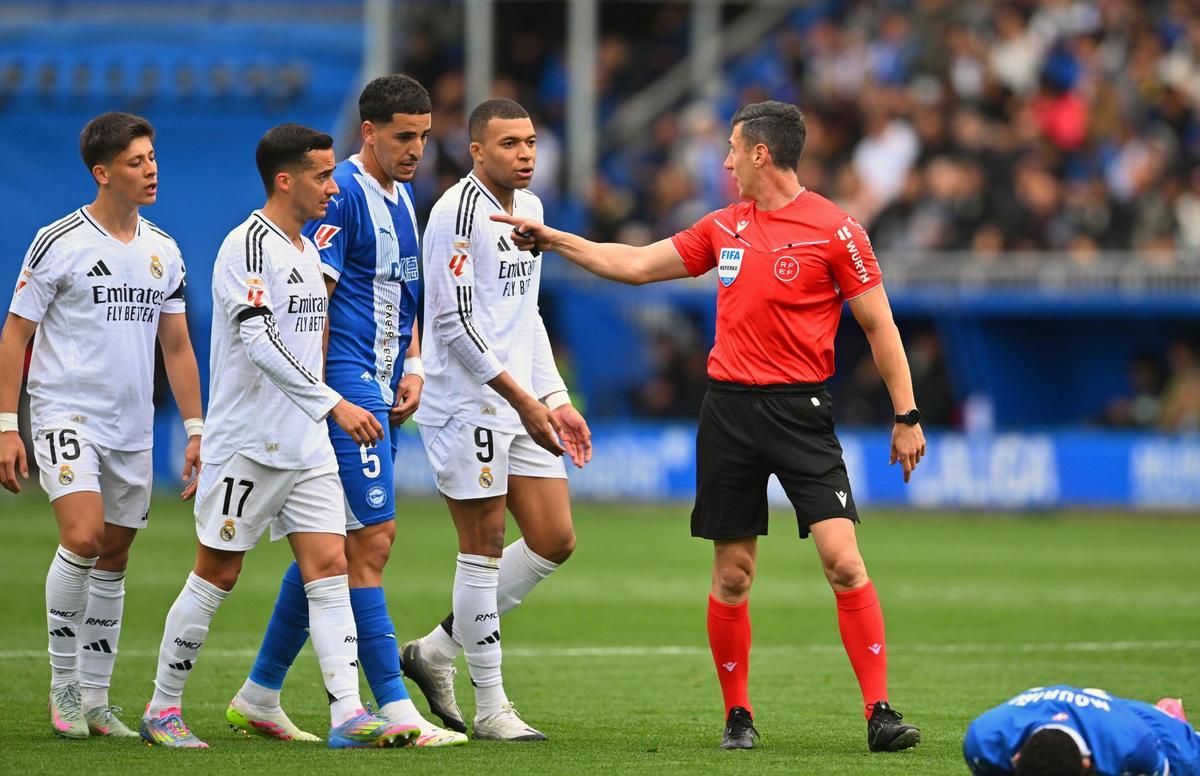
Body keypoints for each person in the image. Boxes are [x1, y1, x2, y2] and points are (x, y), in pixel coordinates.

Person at [492, 100, 925, 752]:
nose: (725, 162)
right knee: (733, 575)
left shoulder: (837, 230)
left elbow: (880, 326)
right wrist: (554, 241)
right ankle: (738, 715)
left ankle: (880, 713)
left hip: (801, 414)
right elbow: (637, 265)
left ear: (760, 153)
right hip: (728, 414)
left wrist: (907, 415)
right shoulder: (724, 225)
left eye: (732, 148)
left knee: (843, 562)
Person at [139, 123, 417, 750]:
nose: (333, 186)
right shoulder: (247, 247)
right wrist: (334, 403)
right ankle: (162, 708)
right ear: (285, 180)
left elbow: (310, 344)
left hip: (306, 444)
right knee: (218, 572)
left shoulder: (308, 252)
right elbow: (259, 342)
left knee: (330, 565)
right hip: (249, 444)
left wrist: (322, 410)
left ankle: (347, 714)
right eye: (323, 175)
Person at [225, 74, 464, 748]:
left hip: (381, 383)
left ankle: (260, 692)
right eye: (404, 136)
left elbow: (401, 294)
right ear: (370, 132)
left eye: (424, 135)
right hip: (346, 385)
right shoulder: (347, 194)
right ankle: (394, 706)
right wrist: (330, 398)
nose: (417, 148)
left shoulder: (403, 194)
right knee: (371, 541)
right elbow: (315, 302)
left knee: (332, 544)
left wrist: (412, 365)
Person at [0, 112, 203, 740]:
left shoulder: (163, 250)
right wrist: (6, 424)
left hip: (131, 426)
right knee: (84, 538)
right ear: (103, 172)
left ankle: (95, 698)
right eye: (137, 162)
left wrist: (196, 428)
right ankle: (63, 683)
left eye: (153, 158)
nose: (151, 170)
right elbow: (15, 334)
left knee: (114, 555)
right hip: (66, 413)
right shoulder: (59, 241)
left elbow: (177, 347)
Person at [400, 98, 592, 741]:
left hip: (521, 400)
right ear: (476, 151)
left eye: (531, 141)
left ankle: (434, 651)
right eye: (510, 144)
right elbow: (451, 322)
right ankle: (490, 708)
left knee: (554, 538)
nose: (526, 154)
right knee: (481, 546)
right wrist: (522, 399)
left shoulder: (531, 208)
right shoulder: (455, 213)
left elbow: (524, 312)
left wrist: (554, 397)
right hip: (468, 403)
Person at [963, 685, 1200, 775]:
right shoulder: (985, 743)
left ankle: (1171, 716)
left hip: (1153, 729)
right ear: (1016, 759)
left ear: (1087, 765)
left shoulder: (1134, 749)